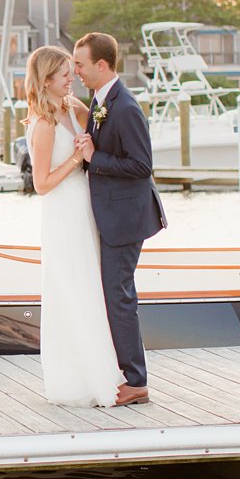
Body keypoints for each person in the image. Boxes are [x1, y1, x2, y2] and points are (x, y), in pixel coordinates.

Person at [71, 32, 167, 406]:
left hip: (127, 217)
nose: (75, 70)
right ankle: (122, 371)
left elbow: (142, 166)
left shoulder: (124, 107)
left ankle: (136, 381)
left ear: (101, 64)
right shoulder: (100, 102)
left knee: (120, 296)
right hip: (113, 214)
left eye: (80, 63)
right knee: (114, 295)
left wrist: (95, 158)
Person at [24, 46, 122, 408]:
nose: (72, 78)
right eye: (65, 73)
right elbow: (42, 184)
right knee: (72, 288)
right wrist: (77, 158)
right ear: (47, 79)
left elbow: (98, 128)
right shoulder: (44, 123)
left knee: (90, 287)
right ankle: (76, 379)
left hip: (84, 207)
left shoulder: (71, 108)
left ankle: (102, 368)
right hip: (63, 212)